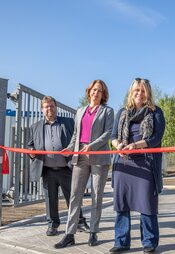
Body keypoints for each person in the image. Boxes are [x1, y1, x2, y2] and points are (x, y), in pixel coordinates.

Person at [54, 80, 114, 248]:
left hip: (98, 156)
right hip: (80, 155)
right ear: (89, 92)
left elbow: (108, 133)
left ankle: (93, 232)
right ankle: (69, 233)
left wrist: (92, 146)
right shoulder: (80, 111)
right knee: (75, 195)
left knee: (96, 195)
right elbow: (76, 134)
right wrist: (69, 148)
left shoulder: (107, 111)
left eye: (100, 91)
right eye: (94, 90)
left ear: (103, 95)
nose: (96, 93)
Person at [109, 78, 165, 253]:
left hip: (146, 162)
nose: (139, 94)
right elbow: (112, 136)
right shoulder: (122, 112)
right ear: (131, 93)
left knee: (147, 203)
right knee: (122, 204)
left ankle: (149, 242)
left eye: (142, 91)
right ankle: (121, 242)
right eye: (136, 91)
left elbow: (156, 138)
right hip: (123, 164)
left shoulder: (156, 112)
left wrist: (136, 145)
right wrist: (118, 145)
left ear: (147, 93)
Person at [27, 96, 89, 236]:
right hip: (47, 170)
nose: (50, 109)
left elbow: (77, 139)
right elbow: (30, 145)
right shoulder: (35, 127)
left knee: (73, 197)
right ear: (42, 109)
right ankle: (53, 225)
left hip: (66, 168)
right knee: (50, 199)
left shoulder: (68, 122)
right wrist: (31, 153)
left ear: (56, 108)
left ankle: (79, 221)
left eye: (52, 106)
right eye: (46, 106)